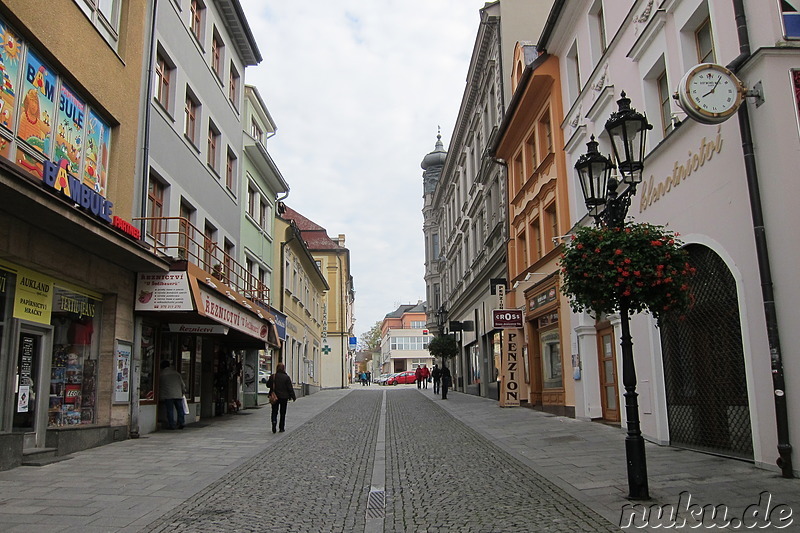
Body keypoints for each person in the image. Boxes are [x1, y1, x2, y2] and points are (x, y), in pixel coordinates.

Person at [267, 363, 296, 433]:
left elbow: (268, 385)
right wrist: (293, 396)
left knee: (274, 411)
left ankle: (274, 422)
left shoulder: (273, 376)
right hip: (284, 397)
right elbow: (290, 388)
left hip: (275, 397)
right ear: (283, 369)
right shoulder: (286, 377)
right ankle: (281, 427)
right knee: (282, 413)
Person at [159, 360, 186, 430]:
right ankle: (181, 422)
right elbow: (183, 384)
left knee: (170, 410)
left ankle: (172, 424)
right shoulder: (176, 373)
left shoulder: (161, 374)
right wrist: (183, 391)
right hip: (178, 394)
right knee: (180, 409)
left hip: (168, 395)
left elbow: (160, 386)